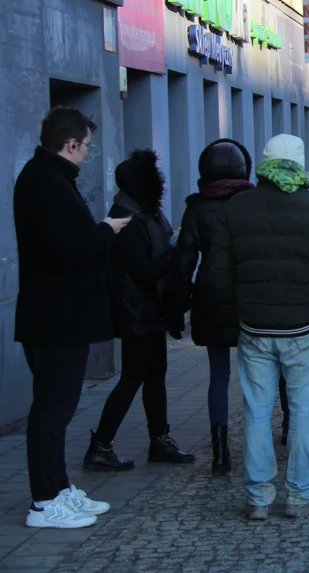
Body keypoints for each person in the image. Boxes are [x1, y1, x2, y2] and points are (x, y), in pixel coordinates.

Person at [203, 134, 309, 520]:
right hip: (305, 327)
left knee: (255, 410)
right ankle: (301, 494)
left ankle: (258, 496)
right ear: (300, 165)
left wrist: (237, 312)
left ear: (263, 164)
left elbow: (217, 273)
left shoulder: (236, 208)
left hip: (253, 327)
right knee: (303, 413)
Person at [14, 107, 131, 529]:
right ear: (70, 144)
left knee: (58, 409)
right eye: (86, 146)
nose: (87, 153)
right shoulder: (47, 183)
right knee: (51, 411)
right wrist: (106, 230)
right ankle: (45, 503)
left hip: (57, 316)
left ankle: (60, 489)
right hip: (55, 319)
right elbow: (68, 249)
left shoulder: (46, 179)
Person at [83, 150, 193, 472]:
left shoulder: (145, 214)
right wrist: (175, 253)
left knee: (155, 375)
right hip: (136, 312)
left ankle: (160, 439)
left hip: (149, 310)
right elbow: (143, 271)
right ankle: (100, 445)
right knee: (132, 378)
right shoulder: (126, 219)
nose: (160, 183)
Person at [174, 139, 254, 476]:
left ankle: (220, 453)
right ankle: (262, 443)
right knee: (258, 375)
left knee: (218, 376)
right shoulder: (252, 203)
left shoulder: (196, 208)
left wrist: (177, 306)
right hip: (249, 296)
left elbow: (183, 263)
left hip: (210, 295)